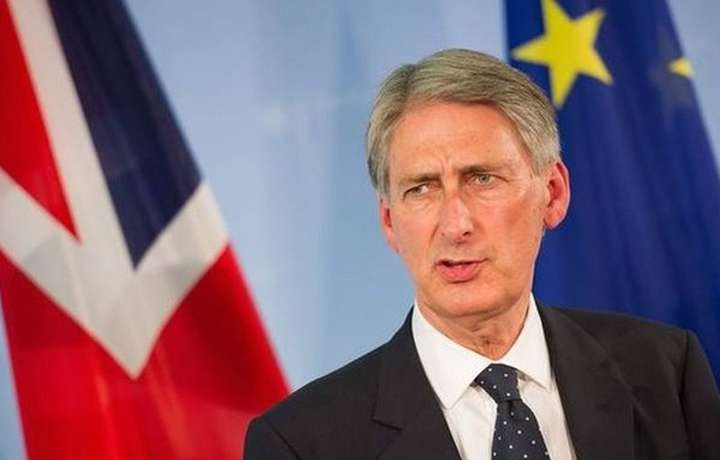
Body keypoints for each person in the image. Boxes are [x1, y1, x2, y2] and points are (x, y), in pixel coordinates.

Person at [244, 49, 720, 460]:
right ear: (389, 221)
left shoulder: (664, 372)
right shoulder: (302, 443)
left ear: (552, 193)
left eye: (482, 179)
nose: (455, 225)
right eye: (421, 188)